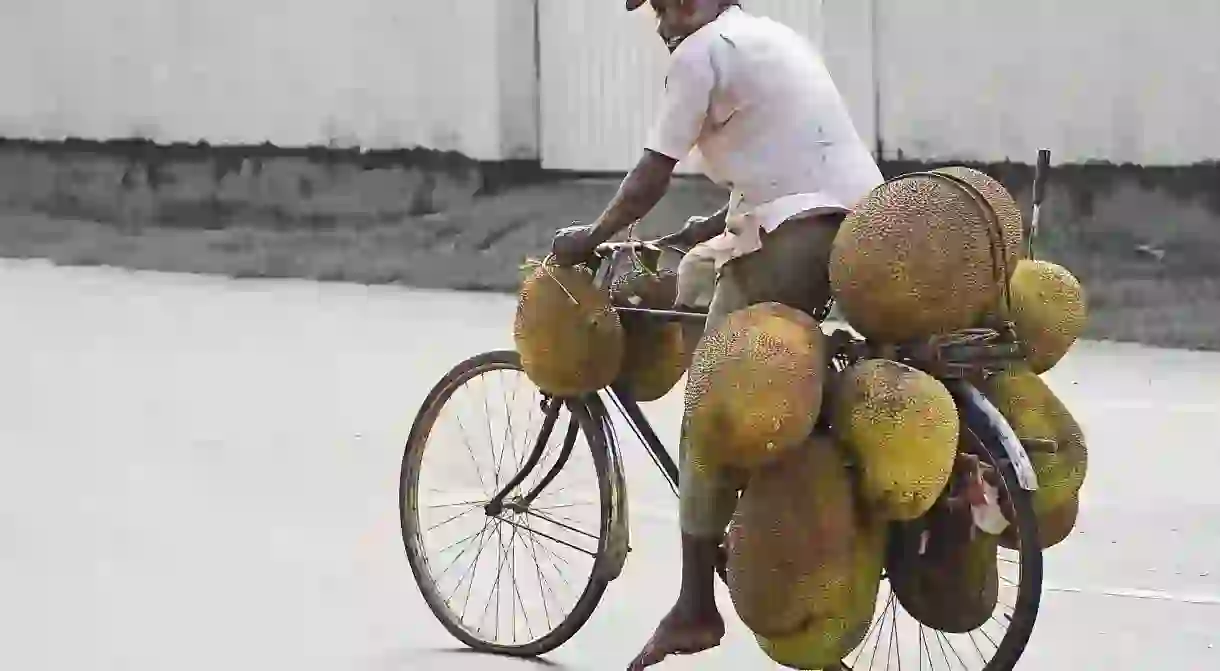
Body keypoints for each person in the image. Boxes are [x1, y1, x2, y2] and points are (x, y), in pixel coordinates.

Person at [550, 1, 884, 668]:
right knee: (709, 291)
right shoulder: (769, 37)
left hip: (796, 243)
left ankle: (695, 604)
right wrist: (699, 231)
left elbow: (650, 176)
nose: (660, 20)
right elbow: (787, 162)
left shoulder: (698, 54)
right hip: (863, 229)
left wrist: (588, 237)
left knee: (711, 406)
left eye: (662, 4)